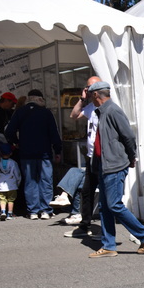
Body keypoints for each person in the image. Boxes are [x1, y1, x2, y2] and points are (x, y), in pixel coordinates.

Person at [87, 82, 144, 258]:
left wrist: (132, 157)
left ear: (96, 95)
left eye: (90, 95)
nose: (89, 99)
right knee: (105, 207)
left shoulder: (112, 110)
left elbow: (129, 136)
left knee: (114, 205)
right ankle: (108, 246)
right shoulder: (102, 112)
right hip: (105, 166)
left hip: (114, 165)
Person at [4, 89, 62, 220]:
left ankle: (33, 211)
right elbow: (54, 133)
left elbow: (9, 132)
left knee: (30, 182)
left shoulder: (20, 112)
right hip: (44, 153)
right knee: (46, 181)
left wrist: (16, 142)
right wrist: (57, 150)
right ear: (40, 99)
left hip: (26, 153)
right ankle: (46, 210)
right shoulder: (46, 113)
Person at [64, 76, 102, 238]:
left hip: (103, 157)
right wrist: (82, 99)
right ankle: (85, 224)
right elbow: (74, 116)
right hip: (91, 156)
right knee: (87, 192)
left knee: (105, 194)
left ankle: (106, 230)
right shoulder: (91, 107)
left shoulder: (106, 107)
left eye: (93, 88)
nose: (90, 91)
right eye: (88, 88)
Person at [0, 143, 21, 220]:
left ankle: (3, 212)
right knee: (11, 200)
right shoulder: (13, 163)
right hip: (12, 185)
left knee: (2, 199)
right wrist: (18, 182)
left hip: (0, 185)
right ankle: (10, 214)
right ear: (11, 153)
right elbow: (17, 174)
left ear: (0, 152)